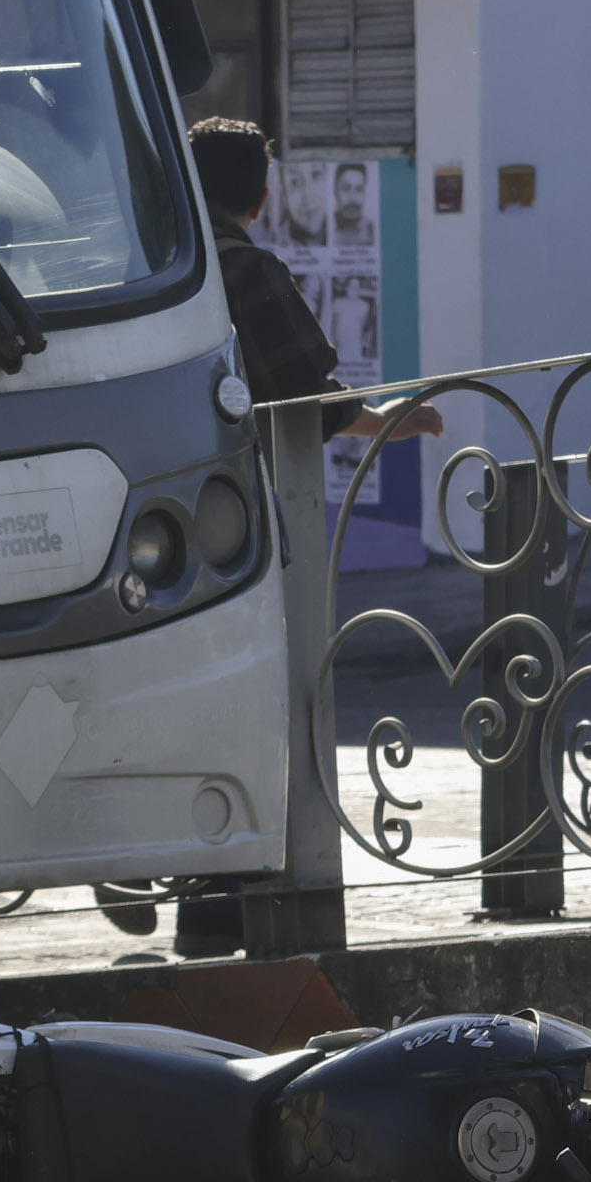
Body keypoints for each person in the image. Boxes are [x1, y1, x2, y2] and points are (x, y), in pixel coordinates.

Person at [180, 117, 439, 955]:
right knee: (254, 701)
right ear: (260, 200)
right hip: (240, 527)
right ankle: (236, 898)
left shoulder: (156, 268)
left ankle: (184, 889)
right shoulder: (247, 270)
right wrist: (393, 421)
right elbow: (308, 397)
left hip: (151, 522)